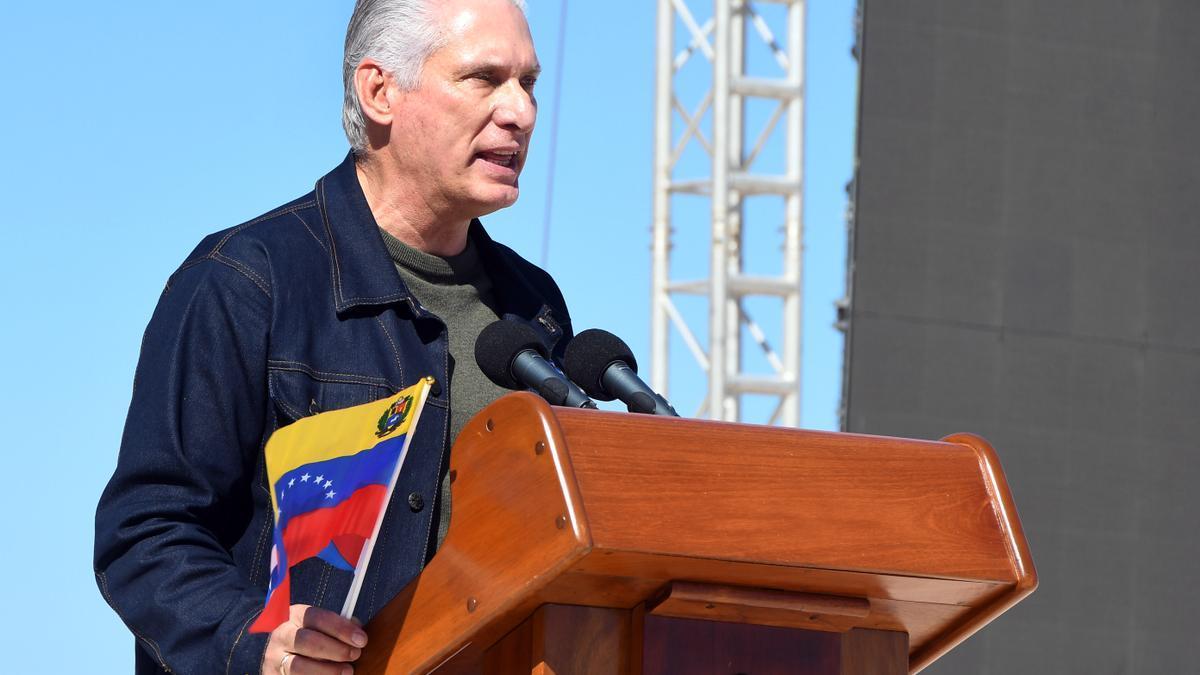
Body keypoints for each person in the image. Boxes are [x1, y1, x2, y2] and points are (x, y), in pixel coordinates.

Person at [93, 1, 571, 672]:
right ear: (379, 90)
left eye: (529, 82)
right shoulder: (247, 282)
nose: (520, 111)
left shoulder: (535, 308)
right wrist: (256, 644)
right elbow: (144, 533)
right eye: (484, 78)